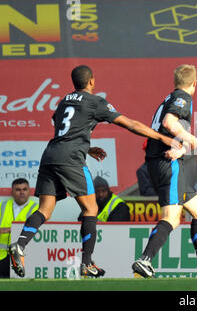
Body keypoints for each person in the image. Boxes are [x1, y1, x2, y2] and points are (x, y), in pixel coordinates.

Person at [8, 65, 178, 279]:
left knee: (45, 209)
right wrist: (162, 138)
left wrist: (85, 146)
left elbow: (58, 122)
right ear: (91, 82)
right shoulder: (95, 101)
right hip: (71, 160)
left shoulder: (64, 101)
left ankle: (20, 245)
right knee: (91, 208)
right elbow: (130, 124)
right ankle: (86, 263)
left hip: (50, 155)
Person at [132, 64, 197, 279]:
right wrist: (192, 140)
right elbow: (169, 123)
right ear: (195, 83)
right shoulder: (182, 98)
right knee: (172, 217)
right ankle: (145, 260)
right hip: (166, 164)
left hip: (162, 162)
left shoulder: (170, 96)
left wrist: (182, 148)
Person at [0, 179, 38, 278]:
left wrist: (11, 229)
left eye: (24, 189)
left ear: (29, 191)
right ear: (12, 192)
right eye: (18, 190)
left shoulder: (37, 209)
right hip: (2, 255)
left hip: (23, 256)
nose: (21, 192)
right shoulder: (2, 206)